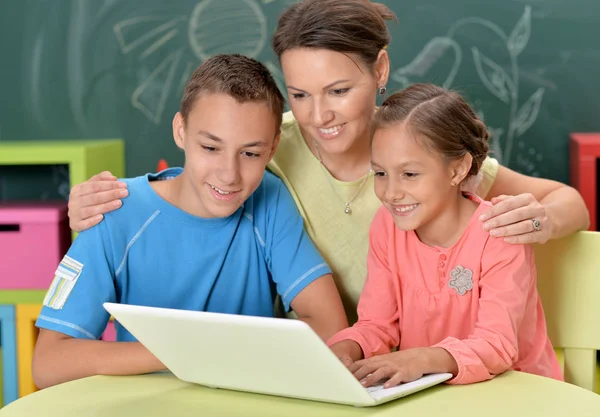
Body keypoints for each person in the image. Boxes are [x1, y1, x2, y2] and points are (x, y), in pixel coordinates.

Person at [64, 0, 590, 323]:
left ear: (380, 70)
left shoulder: (420, 148)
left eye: (339, 90)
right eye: (300, 94)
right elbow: (202, 179)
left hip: (431, 348)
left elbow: (570, 203)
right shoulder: (273, 144)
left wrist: (543, 220)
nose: (320, 116)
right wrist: (99, 203)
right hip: (331, 352)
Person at [32, 54, 348, 389]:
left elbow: (332, 327)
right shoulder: (112, 210)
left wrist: (207, 349)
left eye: (250, 154)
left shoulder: (269, 199)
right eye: (211, 147)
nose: (229, 175)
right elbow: (49, 363)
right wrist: (186, 351)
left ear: (272, 150)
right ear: (180, 131)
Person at [328, 84, 563, 388]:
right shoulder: (386, 226)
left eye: (410, 174)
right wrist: (344, 349)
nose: (391, 192)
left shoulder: (498, 233)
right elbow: (376, 324)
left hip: (518, 393)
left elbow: (496, 345)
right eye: (380, 173)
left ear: (457, 170)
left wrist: (420, 360)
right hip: (433, 395)